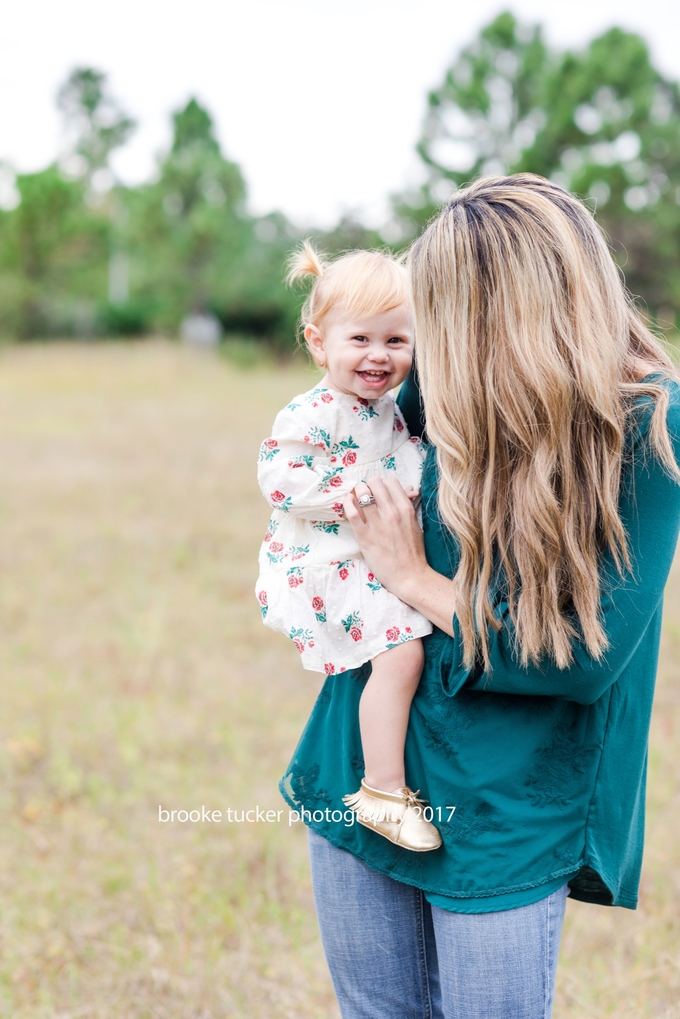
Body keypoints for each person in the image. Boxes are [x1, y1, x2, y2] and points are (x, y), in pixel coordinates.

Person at [278, 175, 680, 1019]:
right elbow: (335, 423)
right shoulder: (436, 384)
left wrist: (415, 579)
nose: (423, 348)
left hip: (508, 797)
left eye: (442, 313)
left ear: (513, 307)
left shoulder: (647, 423)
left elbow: (583, 657)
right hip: (365, 763)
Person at [256, 242, 441, 851]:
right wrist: (357, 494)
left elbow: (406, 457)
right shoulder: (314, 412)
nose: (378, 356)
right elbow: (279, 477)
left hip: (361, 556)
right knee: (401, 654)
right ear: (318, 342)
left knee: (399, 655)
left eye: (396, 341)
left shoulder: (385, 410)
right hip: (325, 562)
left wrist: (413, 482)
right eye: (360, 339)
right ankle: (383, 791)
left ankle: (385, 782)